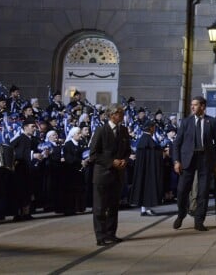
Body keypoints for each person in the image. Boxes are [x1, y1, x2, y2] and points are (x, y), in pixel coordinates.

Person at [172, 96, 216, 232]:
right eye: (191, 105)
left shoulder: (211, 122)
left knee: (203, 192)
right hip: (188, 160)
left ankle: (199, 221)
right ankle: (181, 214)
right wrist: (176, 161)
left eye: (195, 105)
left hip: (205, 160)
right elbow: (177, 143)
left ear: (203, 106)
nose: (192, 107)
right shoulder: (186, 122)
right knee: (182, 191)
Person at [90, 103, 131, 246]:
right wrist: (111, 162)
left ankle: (111, 233)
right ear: (112, 115)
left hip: (118, 175)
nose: (122, 116)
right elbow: (94, 155)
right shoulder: (101, 130)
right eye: (120, 113)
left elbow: (128, 151)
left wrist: (124, 161)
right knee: (100, 207)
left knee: (114, 206)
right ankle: (100, 236)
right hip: (103, 175)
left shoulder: (124, 131)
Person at [130, 120, 164, 216]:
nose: (154, 129)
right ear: (151, 128)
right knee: (147, 187)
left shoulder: (144, 139)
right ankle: (145, 209)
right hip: (148, 170)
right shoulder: (147, 139)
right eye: (153, 127)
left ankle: (145, 209)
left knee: (145, 188)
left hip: (144, 170)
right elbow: (154, 152)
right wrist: (162, 152)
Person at [62, 126, 88, 215]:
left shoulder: (81, 143)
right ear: (73, 135)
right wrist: (79, 161)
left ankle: (80, 207)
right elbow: (68, 158)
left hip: (81, 170)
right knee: (72, 190)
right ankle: (71, 208)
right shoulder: (67, 145)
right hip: (71, 171)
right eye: (78, 133)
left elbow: (85, 153)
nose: (80, 135)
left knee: (80, 189)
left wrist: (85, 160)